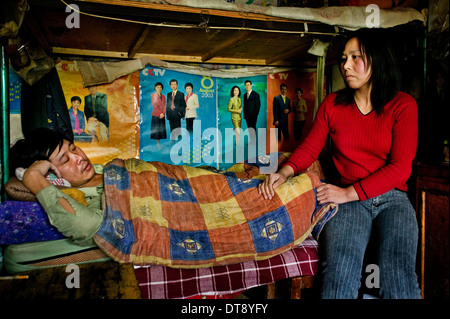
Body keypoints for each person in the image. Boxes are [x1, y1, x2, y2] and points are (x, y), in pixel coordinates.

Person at [258, 29, 421, 299]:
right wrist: (284, 172)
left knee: (398, 271)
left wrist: (347, 193)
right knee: (339, 270)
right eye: (344, 58)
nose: (345, 65)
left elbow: (400, 168)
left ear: (377, 60)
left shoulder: (403, 105)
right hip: (348, 200)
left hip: (392, 199)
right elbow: (310, 147)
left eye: (355, 57)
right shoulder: (332, 104)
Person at [150, 82, 167, 147]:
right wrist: (160, 113)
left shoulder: (163, 96)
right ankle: (157, 144)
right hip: (156, 115)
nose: (159, 88)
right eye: (158, 87)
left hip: (162, 115)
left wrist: (163, 113)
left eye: (160, 87)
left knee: (160, 130)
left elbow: (165, 105)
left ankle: (158, 143)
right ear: (155, 88)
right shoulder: (153, 95)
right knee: (156, 130)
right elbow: (154, 105)